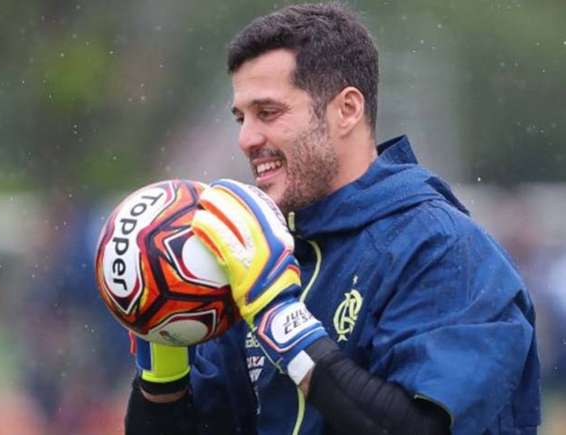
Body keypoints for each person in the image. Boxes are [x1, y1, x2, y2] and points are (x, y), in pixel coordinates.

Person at [123, 3, 540, 434]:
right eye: (241, 117)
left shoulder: (445, 250)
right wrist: (163, 368)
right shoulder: (249, 254)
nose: (247, 139)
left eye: (268, 112)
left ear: (346, 110)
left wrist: (280, 321)